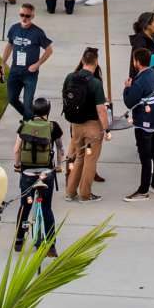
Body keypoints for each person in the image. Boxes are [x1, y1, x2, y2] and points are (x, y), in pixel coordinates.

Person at [13, 98, 63, 252]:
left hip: (27, 174)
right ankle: (51, 245)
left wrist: (17, 165)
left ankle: (19, 240)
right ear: (47, 112)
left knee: (25, 206)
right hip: (46, 175)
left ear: (33, 110)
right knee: (46, 207)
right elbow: (60, 149)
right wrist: (59, 166)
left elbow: (16, 149)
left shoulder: (24, 126)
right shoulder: (53, 127)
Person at [62, 47, 109, 199]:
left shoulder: (70, 77)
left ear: (82, 60)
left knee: (79, 157)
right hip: (92, 127)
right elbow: (101, 110)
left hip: (75, 126)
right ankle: (85, 194)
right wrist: (107, 129)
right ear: (96, 63)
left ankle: (70, 192)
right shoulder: (95, 83)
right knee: (90, 160)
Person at [122, 42, 154, 196]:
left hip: (144, 125)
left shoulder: (139, 82)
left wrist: (127, 88)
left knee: (145, 157)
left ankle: (143, 190)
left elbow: (129, 102)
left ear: (137, 62)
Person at [3, 3, 54, 118]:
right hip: (15, 71)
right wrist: (2, 63)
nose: (24, 18)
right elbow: (10, 45)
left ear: (32, 16)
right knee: (12, 99)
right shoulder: (14, 29)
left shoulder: (37, 32)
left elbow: (49, 50)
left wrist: (37, 64)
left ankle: (28, 124)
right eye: (22, 15)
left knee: (27, 103)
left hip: (30, 74)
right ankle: (30, 118)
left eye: (28, 16)